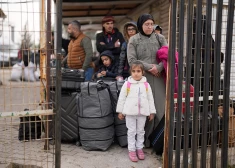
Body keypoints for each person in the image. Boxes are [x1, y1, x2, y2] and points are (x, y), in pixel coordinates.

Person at [127, 13, 167, 147]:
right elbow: (132, 60)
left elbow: (167, 56)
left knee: (161, 110)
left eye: (151, 24)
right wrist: (151, 67)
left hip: (159, 78)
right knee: (145, 110)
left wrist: (159, 68)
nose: (150, 27)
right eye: (146, 24)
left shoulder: (160, 38)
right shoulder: (134, 40)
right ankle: (145, 141)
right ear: (140, 25)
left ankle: (159, 141)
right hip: (142, 79)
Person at [116, 61, 156, 162]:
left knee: (141, 131)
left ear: (143, 72)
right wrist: (120, 111)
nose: (136, 73)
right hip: (130, 113)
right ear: (130, 72)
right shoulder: (127, 84)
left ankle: (139, 148)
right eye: (133, 71)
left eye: (138, 71)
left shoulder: (146, 85)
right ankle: (132, 150)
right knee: (131, 131)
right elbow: (122, 98)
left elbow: (150, 99)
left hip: (142, 113)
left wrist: (151, 112)